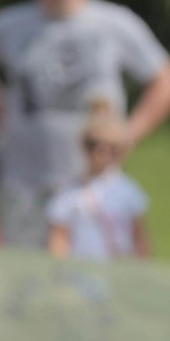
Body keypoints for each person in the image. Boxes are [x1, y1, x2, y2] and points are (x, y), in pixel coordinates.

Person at [0, 0, 170, 249]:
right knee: (25, 284)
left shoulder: (115, 23)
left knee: (91, 287)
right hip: (24, 184)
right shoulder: (7, 25)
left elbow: (166, 81)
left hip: (92, 187)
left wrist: (129, 133)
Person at [47, 102, 150, 260]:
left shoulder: (128, 191)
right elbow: (59, 238)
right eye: (96, 146)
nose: (104, 153)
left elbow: (139, 237)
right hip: (79, 273)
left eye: (112, 148)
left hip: (116, 271)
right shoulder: (68, 192)